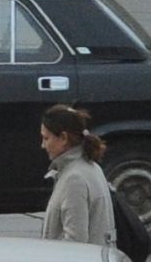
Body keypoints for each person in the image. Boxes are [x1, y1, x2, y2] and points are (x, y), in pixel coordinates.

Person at [40, 104, 116, 246]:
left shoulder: (74, 179)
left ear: (63, 138)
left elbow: (75, 244)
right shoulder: (92, 167)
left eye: (46, 138)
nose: (43, 145)